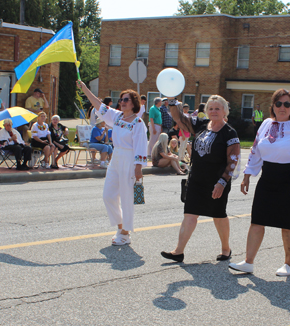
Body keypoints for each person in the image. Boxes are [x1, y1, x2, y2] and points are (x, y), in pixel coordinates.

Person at [229, 89, 290, 276]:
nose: (282, 107)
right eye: (278, 103)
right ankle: (248, 262)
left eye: (287, 104)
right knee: (257, 220)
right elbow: (256, 149)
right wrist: (248, 174)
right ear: (273, 106)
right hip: (268, 177)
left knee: (288, 224)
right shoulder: (265, 124)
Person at [161, 95, 240, 263]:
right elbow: (179, 118)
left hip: (217, 181)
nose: (213, 111)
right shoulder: (200, 125)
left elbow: (233, 160)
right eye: (210, 108)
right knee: (190, 214)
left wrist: (222, 182)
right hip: (196, 179)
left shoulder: (229, 133)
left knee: (218, 215)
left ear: (224, 111)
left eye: (217, 108)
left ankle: (226, 249)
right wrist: (173, 102)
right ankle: (178, 251)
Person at [77, 80, 148, 246]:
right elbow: (98, 105)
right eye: (121, 99)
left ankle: (125, 232)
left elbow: (140, 146)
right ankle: (121, 225)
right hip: (116, 157)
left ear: (134, 103)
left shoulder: (138, 123)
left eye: (126, 100)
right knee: (108, 195)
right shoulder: (117, 117)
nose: (122, 102)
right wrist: (85, 88)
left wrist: (138, 168)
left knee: (127, 196)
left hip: (130, 160)